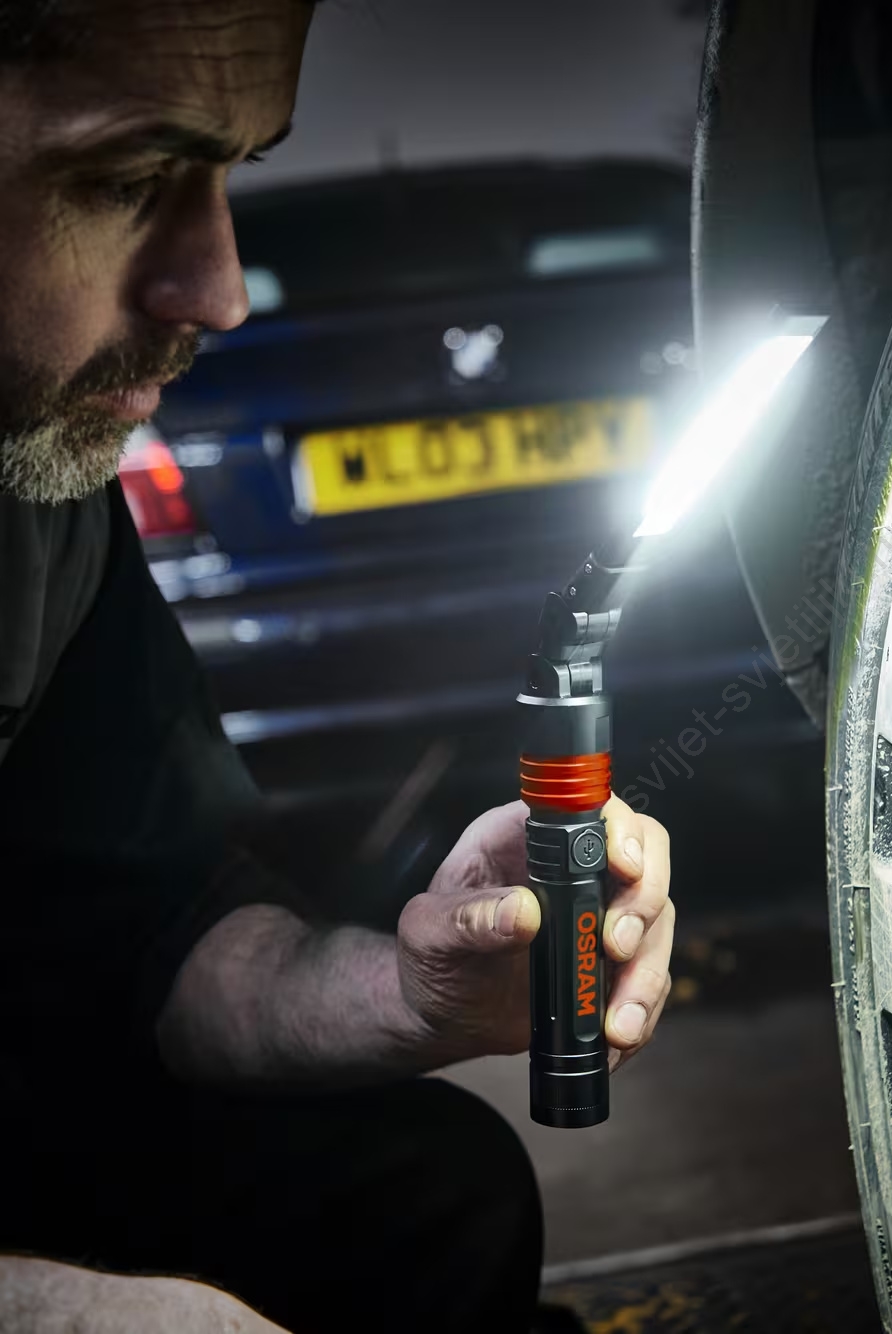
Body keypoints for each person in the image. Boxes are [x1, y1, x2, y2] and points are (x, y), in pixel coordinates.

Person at [0, 2, 676, 1330]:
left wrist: (415, 988)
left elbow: (153, 934)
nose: (221, 292)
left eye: (229, 170)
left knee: (432, 1192)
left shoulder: (37, 500)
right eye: (127, 179)